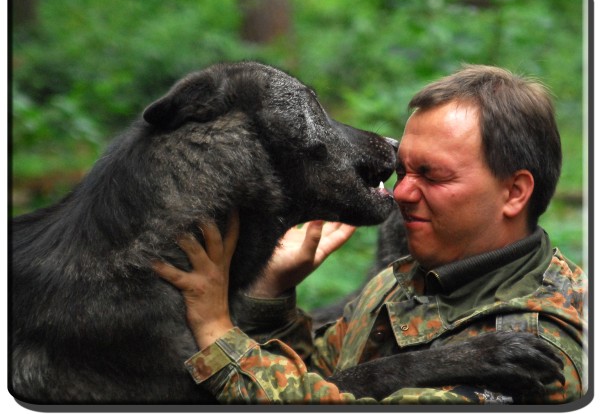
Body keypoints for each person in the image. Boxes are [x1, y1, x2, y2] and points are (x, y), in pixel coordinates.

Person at [153, 65, 587, 404]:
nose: (400, 193)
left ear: (514, 193)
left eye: (432, 176)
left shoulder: (534, 345)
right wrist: (271, 296)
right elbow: (321, 381)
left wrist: (217, 335)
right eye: (403, 171)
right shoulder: (402, 281)